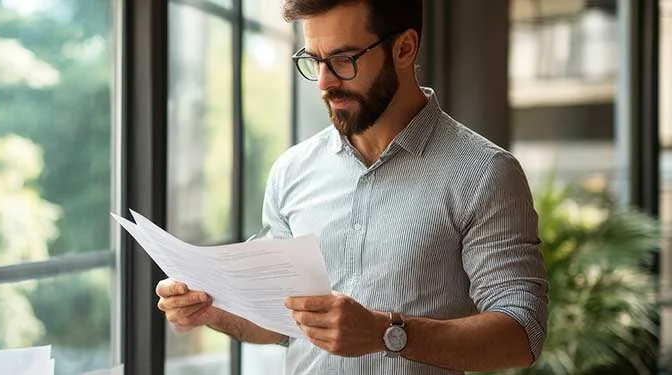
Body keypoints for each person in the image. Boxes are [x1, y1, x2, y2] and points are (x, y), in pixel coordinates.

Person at [155, 0, 548, 373]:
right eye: (314, 61)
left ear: (404, 48)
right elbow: (284, 322)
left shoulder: (484, 174)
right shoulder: (291, 172)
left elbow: (522, 333)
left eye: (343, 60)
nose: (325, 83)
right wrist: (214, 311)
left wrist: (386, 334)